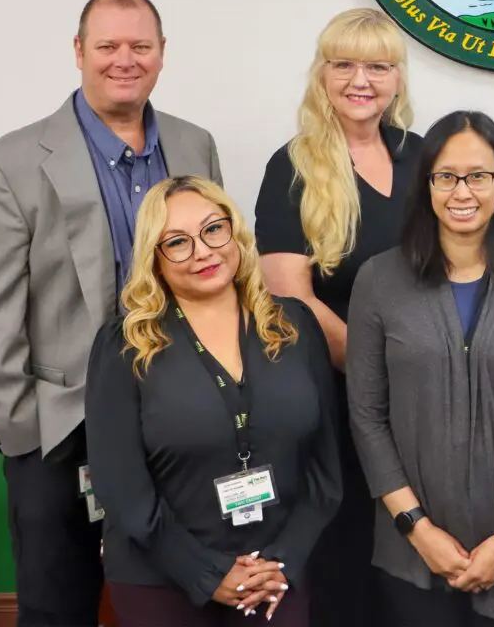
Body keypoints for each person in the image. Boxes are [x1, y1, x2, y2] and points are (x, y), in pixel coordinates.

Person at [0, 0, 222, 627]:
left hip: (179, 419)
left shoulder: (195, 145)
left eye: (139, 46)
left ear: (161, 55)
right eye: (107, 46)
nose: (123, 60)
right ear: (79, 52)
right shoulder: (6, 165)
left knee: (176, 594)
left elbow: (216, 273)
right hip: (57, 430)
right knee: (57, 605)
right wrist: (25, 437)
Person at [346, 110, 494, 627]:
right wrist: (417, 527)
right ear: (425, 184)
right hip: (411, 556)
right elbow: (366, 415)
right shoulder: (379, 280)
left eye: (478, 175)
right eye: (446, 176)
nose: (462, 192)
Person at [85, 176, 343, 626]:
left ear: (234, 231)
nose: (203, 251)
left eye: (212, 229)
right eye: (177, 243)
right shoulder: (126, 346)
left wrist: (281, 562)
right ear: (154, 259)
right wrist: (208, 574)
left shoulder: (295, 325)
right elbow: (121, 489)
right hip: (162, 575)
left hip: (275, 573)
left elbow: (325, 471)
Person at [254, 7, 421, 627]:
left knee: (414, 565)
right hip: (334, 399)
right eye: (344, 64)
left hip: (422, 401)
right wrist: (378, 374)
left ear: (398, 79)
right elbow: (289, 296)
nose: (361, 79)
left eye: (378, 66)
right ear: (321, 75)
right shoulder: (293, 165)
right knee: (348, 562)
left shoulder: (421, 158)